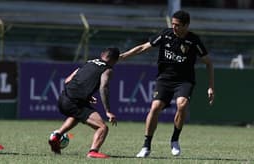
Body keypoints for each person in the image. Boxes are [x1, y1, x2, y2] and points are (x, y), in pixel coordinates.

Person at [120, 10, 214, 157]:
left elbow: (209, 63)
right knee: (155, 107)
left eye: (177, 25)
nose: (174, 27)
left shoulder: (194, 41)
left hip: (184, 80)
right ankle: (146, 146)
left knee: (182, 105)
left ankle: (175, 140)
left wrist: (210, 86)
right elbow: (144, 47)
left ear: (186, 25)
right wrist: (124, 55)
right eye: (173, 24)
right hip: (164, 79)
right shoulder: (165, 34)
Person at [48, 47, 120, 158]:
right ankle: (93, 151)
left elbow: (67, 81)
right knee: (102, 128)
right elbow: (103, 87)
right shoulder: (107, 69)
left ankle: (56, 136)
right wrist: (108, 111)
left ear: (102, 54)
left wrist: (86, 95)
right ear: (115, 60)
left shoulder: (88, 63)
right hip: (75, 102)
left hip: (63, 98)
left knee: (76, 116)